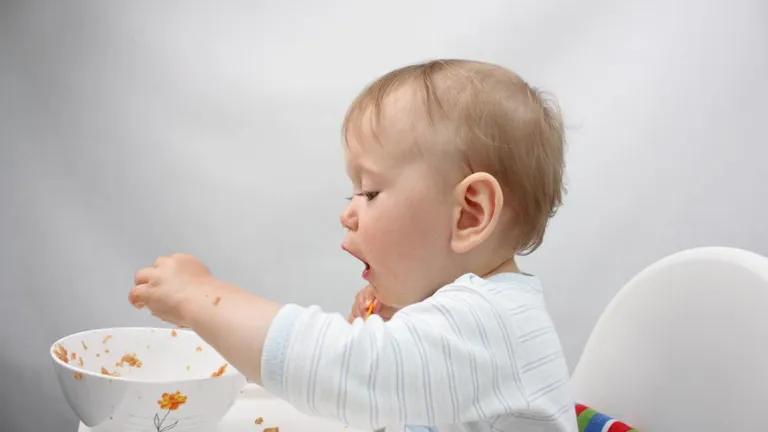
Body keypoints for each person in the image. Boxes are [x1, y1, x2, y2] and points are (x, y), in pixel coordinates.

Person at [129, 59, 576, 431]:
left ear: (469, 214)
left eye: (370, 192)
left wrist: (199, 296)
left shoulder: (489, 323)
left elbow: (339, 370)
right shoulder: (480, 318)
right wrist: (400, 321)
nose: (348, 213)